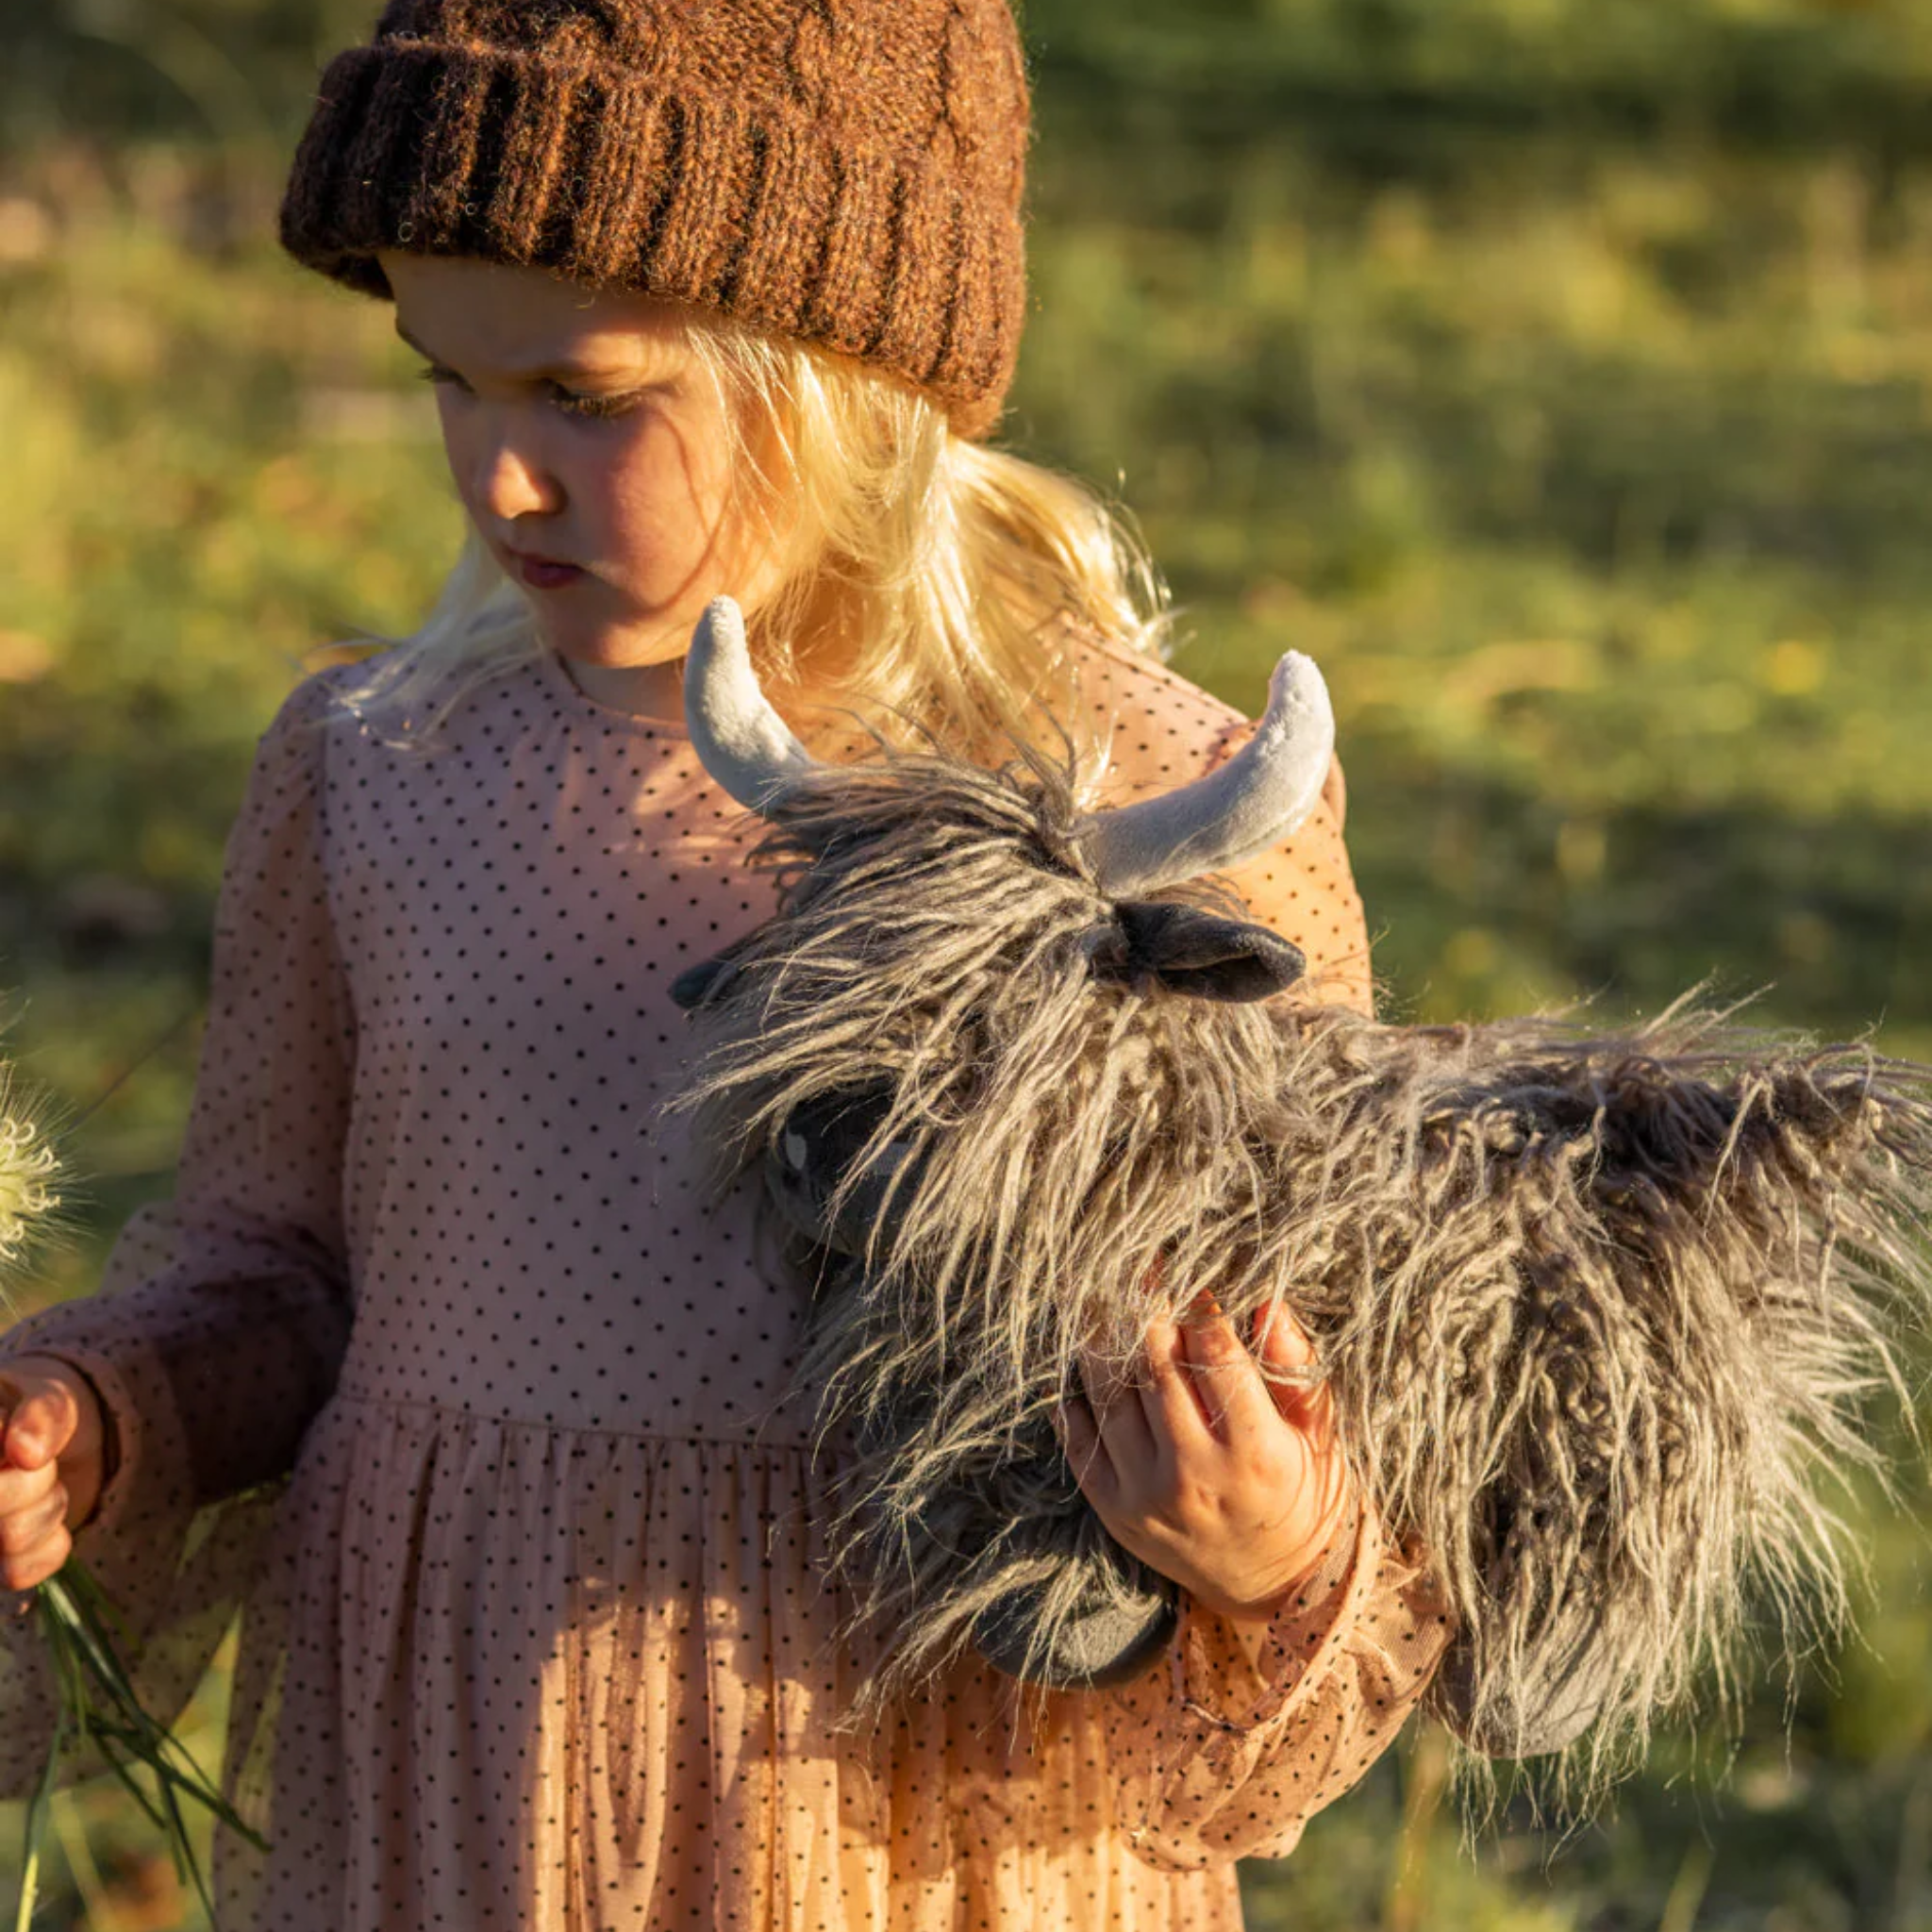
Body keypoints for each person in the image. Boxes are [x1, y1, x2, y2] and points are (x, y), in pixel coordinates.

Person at [0, 2, 1451, 1924]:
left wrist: (1267, 1544)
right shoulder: (378, 769)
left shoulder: (1163, 810)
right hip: (457, 1797)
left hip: (925, 1824)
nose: (497, 477)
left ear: (842, 375)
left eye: (586, 401)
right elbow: (281, 1274)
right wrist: (105, 1417)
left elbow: (1346, 1400)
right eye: (450, 378)